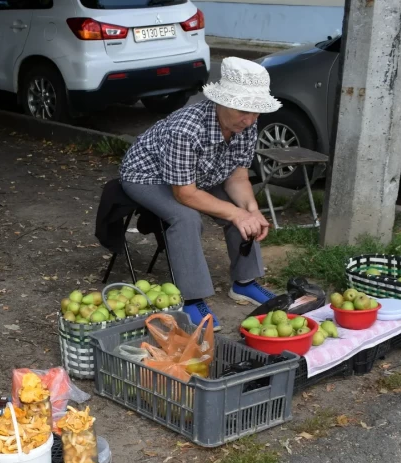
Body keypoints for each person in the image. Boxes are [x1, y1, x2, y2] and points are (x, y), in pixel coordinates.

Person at [119, 57, 282, 330]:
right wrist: (237, 212)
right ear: (222, 101)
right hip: (147, 176)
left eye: (256, 111)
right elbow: (185, 194)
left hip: (202, 175)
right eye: (245, 110)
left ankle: (244, 283)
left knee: (241, 213)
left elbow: (237, 175)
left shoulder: (246, 123)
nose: (251, 119)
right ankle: (191, 299)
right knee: (186, 218)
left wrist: (252, 212)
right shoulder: (186, 128)